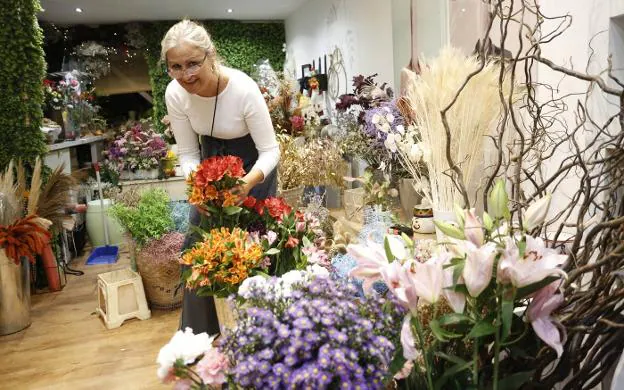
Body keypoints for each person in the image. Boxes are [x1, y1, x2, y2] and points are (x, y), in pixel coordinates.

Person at [161, 20, 279, 335]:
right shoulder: (175, 93)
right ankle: (202, 334)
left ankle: (259, 334)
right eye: (175, 66)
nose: (185, 74)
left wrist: (247, 183)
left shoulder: (242, 89)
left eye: (192, 63)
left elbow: (271, 151)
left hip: (254, 172)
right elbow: (187, 154)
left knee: (254, 251)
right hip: (209, 170)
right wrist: (198, 186)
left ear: (211, 56)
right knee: (198, 250)